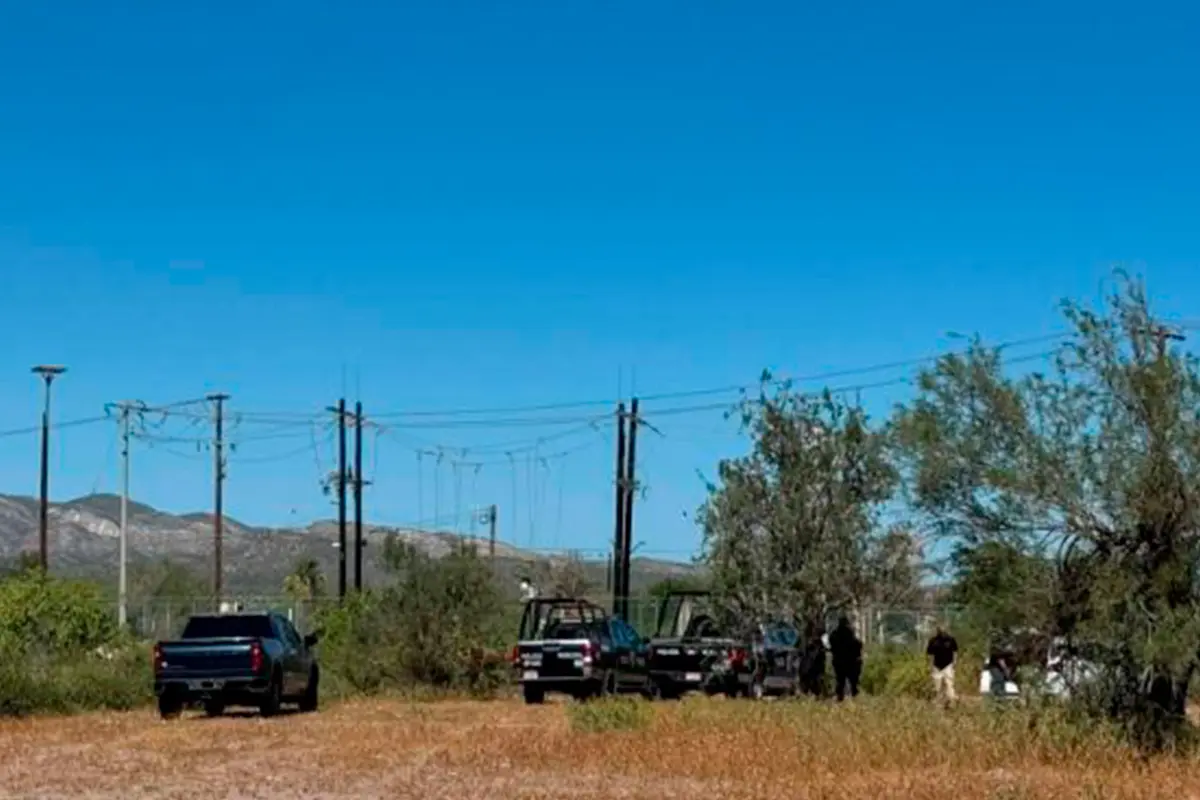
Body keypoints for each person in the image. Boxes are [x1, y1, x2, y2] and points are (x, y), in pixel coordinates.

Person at [828, 615, 863, 701]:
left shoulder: (835, 634)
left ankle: (840, 697)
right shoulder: (850, 633)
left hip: (839, 661)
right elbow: (857, 645)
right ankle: (854, 696)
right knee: (853, 682)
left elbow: (831, 645)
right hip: (850, 661)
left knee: (840, 681)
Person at [926, 625, 958, 705]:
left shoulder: (951, 640)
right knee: (937, 685)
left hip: (948, 665)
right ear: (938, 631)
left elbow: (955, 651)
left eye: (944, 630)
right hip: (937, 666)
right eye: (940, 630)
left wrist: (954, 662)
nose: (942, 631)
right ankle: (938, 701)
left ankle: (951, 701)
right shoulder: (933, 641)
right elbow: (930, 654)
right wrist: (930, 665)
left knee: (949, 684)